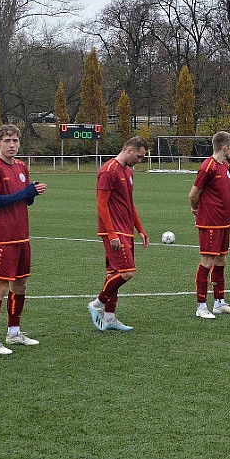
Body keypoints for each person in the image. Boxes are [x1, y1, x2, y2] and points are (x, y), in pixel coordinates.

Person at [0, 125, 47, 354]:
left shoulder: (21, 167)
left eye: (15, 141)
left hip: (22, 234)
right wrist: (25, 193)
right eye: (7, 140)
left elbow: (25, 201)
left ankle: (13, 332)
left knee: (20, 284)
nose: (12, 145)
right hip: (1, 237)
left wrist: (32, 193)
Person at [87, 136, 149, 331]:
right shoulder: (108, 170)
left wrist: (140, 229)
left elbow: (130, 204)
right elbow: (101, 204)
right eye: (139, 156)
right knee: (127, 272)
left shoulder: (128, 171)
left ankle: (110, 318)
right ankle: (97, 304)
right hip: (114, 231)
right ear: (129, 150)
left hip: (126, 230)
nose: (140, 160)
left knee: (113, 273)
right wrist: (111, 233)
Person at [189, 131, 230, 319]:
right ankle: (201, 306)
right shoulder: (208, 167)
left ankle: (219, 303)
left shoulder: (225, 165)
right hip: (210, 222)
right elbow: (193, 194)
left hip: (223, 222)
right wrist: (196, 210)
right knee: (207, 261)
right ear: (224, 147)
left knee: (221, 261)